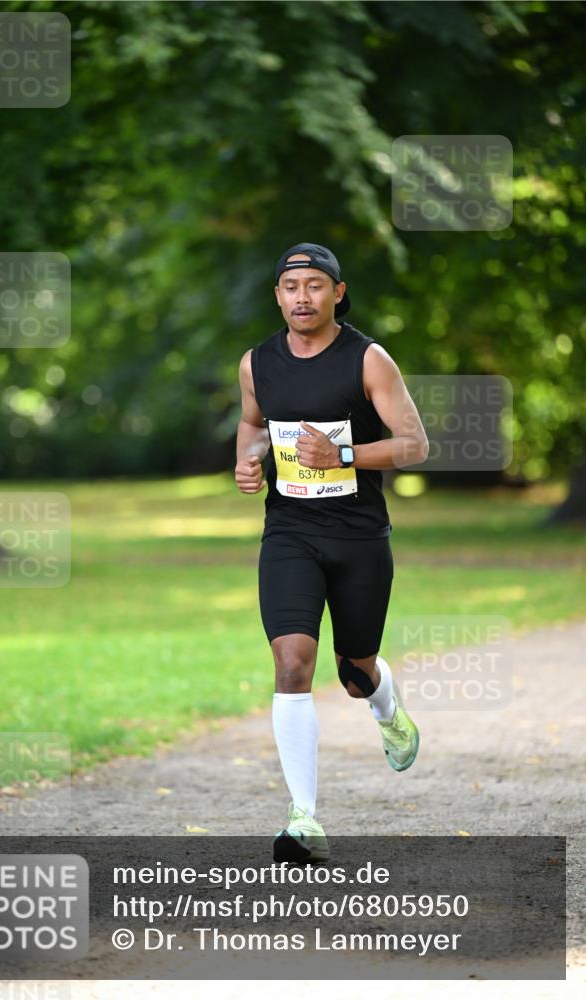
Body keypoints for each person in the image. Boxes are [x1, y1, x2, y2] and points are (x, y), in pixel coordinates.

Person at [235, 242, 429, 863]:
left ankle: (386, 703)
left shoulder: (368, 359)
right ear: (278, 295)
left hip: (359, 536)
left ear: (337, 293)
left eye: (315, 286)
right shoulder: (257, 363)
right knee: (292, 663)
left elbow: (414, 445)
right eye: (291, 287)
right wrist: (247, 460)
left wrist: (343, 455)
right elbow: (254, 423)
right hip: (289, 532)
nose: (302, 297)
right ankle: (303, 819)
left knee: (353, 670)